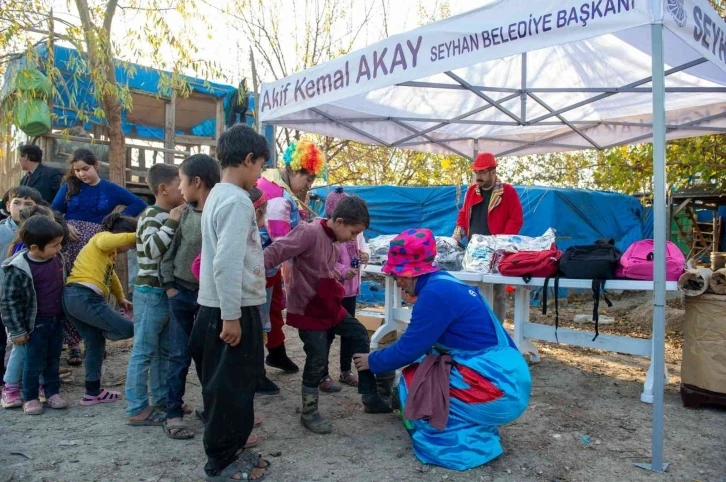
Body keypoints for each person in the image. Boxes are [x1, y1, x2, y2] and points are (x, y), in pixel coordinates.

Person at [353, 228, 531, 471]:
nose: (397, 283)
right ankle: (474, 421)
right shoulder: (445, 282)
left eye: (396, 276)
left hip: (499, 386)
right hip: (509, 377)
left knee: (416, 382)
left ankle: (458, 442)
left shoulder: (434, 295)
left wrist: (372, 361)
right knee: (431, 367)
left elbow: (408, 349)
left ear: (406, 273)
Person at [264, 195, 392, 435]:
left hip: (330, 304)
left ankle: (369, 395)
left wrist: (339, 274)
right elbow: (277, 251)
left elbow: (323, 266)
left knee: (359, 334)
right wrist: (253, 277)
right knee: (317, 358)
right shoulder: (309, 232)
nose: (353, 239)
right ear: (340, 221)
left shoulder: (333, 238)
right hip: (310, 308)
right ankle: (309, 412)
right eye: (353, 233)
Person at [190, 124, 269, 481]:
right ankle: (222, 462)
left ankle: (234, 450)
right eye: (261, 167)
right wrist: (232, 317)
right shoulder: (237, 201)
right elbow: (225, 262)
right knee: (231, 389)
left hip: (217, 306)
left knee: (230, 384)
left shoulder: (217, 196)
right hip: (230, 309)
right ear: (248, 159)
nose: (260, 175)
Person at [52, 148, 146, 367]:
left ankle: (93, 341)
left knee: (97, 287)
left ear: (96, 165)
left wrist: (113, 221)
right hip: (71, 244)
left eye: (85, 168)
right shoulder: (69, 187)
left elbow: (138, 204)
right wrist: (65, 225)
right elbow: (53, 211)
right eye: (77, 170)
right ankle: (73, 345)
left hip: (98, 242)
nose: (82, 174)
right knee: (69, 289)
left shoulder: (110, 189)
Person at [159, 154, 219, 440]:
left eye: (183, 181)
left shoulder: (220, 214)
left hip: (209, 298)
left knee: (208, 357)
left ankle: (211, 410)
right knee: (179, 356)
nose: (180, 188)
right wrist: (169, 284)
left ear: (197, 182)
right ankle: (173, 413)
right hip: (181, 293)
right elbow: (171, 251)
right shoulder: (185, 215)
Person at [256, 139, 325, 377]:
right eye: (307, 180)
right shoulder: (277, 196)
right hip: (262, 267)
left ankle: (275, 352)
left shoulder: (276, 185)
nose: (307, 186)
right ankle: (256, 374)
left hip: (266, 267)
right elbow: (282, 242)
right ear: (295, 170)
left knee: (270, 311)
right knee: (259, 318)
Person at [125, 164, 185, 426]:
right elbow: (151, 250)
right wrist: (172, 222)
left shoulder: (167, 215)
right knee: (143, 351)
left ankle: (160, 399)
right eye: (178, 184)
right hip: (150, 293)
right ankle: (137, 407)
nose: (182, 189)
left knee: (164, 350)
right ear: (163, 189)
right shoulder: (153, 215)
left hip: (163, 293)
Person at [63, 213, 136, 405]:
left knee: (95, 342)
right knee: (131, 328)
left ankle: (92, 392)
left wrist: (121, 298)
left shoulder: (106, 255)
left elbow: (112, 278)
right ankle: (111, 329)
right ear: (122, 234)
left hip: (74, 298)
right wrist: (142, 233)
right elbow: (107, 240)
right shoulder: (100, 238)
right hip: (84, 296)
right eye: (128, 242)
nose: (129, 248)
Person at [0, 216, 68, 415]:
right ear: (35, 248)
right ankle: (30, 397)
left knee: (53, 358)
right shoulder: (18, 268)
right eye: (54, 245)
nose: (59, 248)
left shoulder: (57, 259)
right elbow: (9, 302)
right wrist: (17, 331)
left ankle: (52, 392)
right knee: (32, 361)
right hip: (34, 323)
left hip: (55, 320)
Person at [452, 153, 523, 323]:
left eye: (483, 172)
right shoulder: (471, 191)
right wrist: (458, 231)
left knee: (497, 294)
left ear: (493, 171)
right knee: (471, 291)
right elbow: (463, 213)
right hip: (473, 251)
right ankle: (475, 328)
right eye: (477, 172)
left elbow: (516, 219)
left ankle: (497, 331)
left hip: (497, 252)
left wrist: (500, 242)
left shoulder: (508, 192)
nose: (479, 177)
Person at [318, 187, 369, 392]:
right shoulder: (327, 237)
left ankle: (346, 370)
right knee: (327, 333)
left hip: (351, 290)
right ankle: (322, 374)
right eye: (353, 232)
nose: (353, 236)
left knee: (349, 333)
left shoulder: (355, 233)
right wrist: (341, 270)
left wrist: (365, 254)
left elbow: (363, 246)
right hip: (333, 290)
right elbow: (325, 261)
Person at [0, 186, 43, 408]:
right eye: (17, 202)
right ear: (7, 206)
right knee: (10, 342)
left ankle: (30, 384)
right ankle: (8, 386)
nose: (22, 208)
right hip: (8, 298)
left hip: (35, 302)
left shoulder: (42, 232)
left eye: (29, 204)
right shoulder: (2, 233)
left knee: (30, 343)